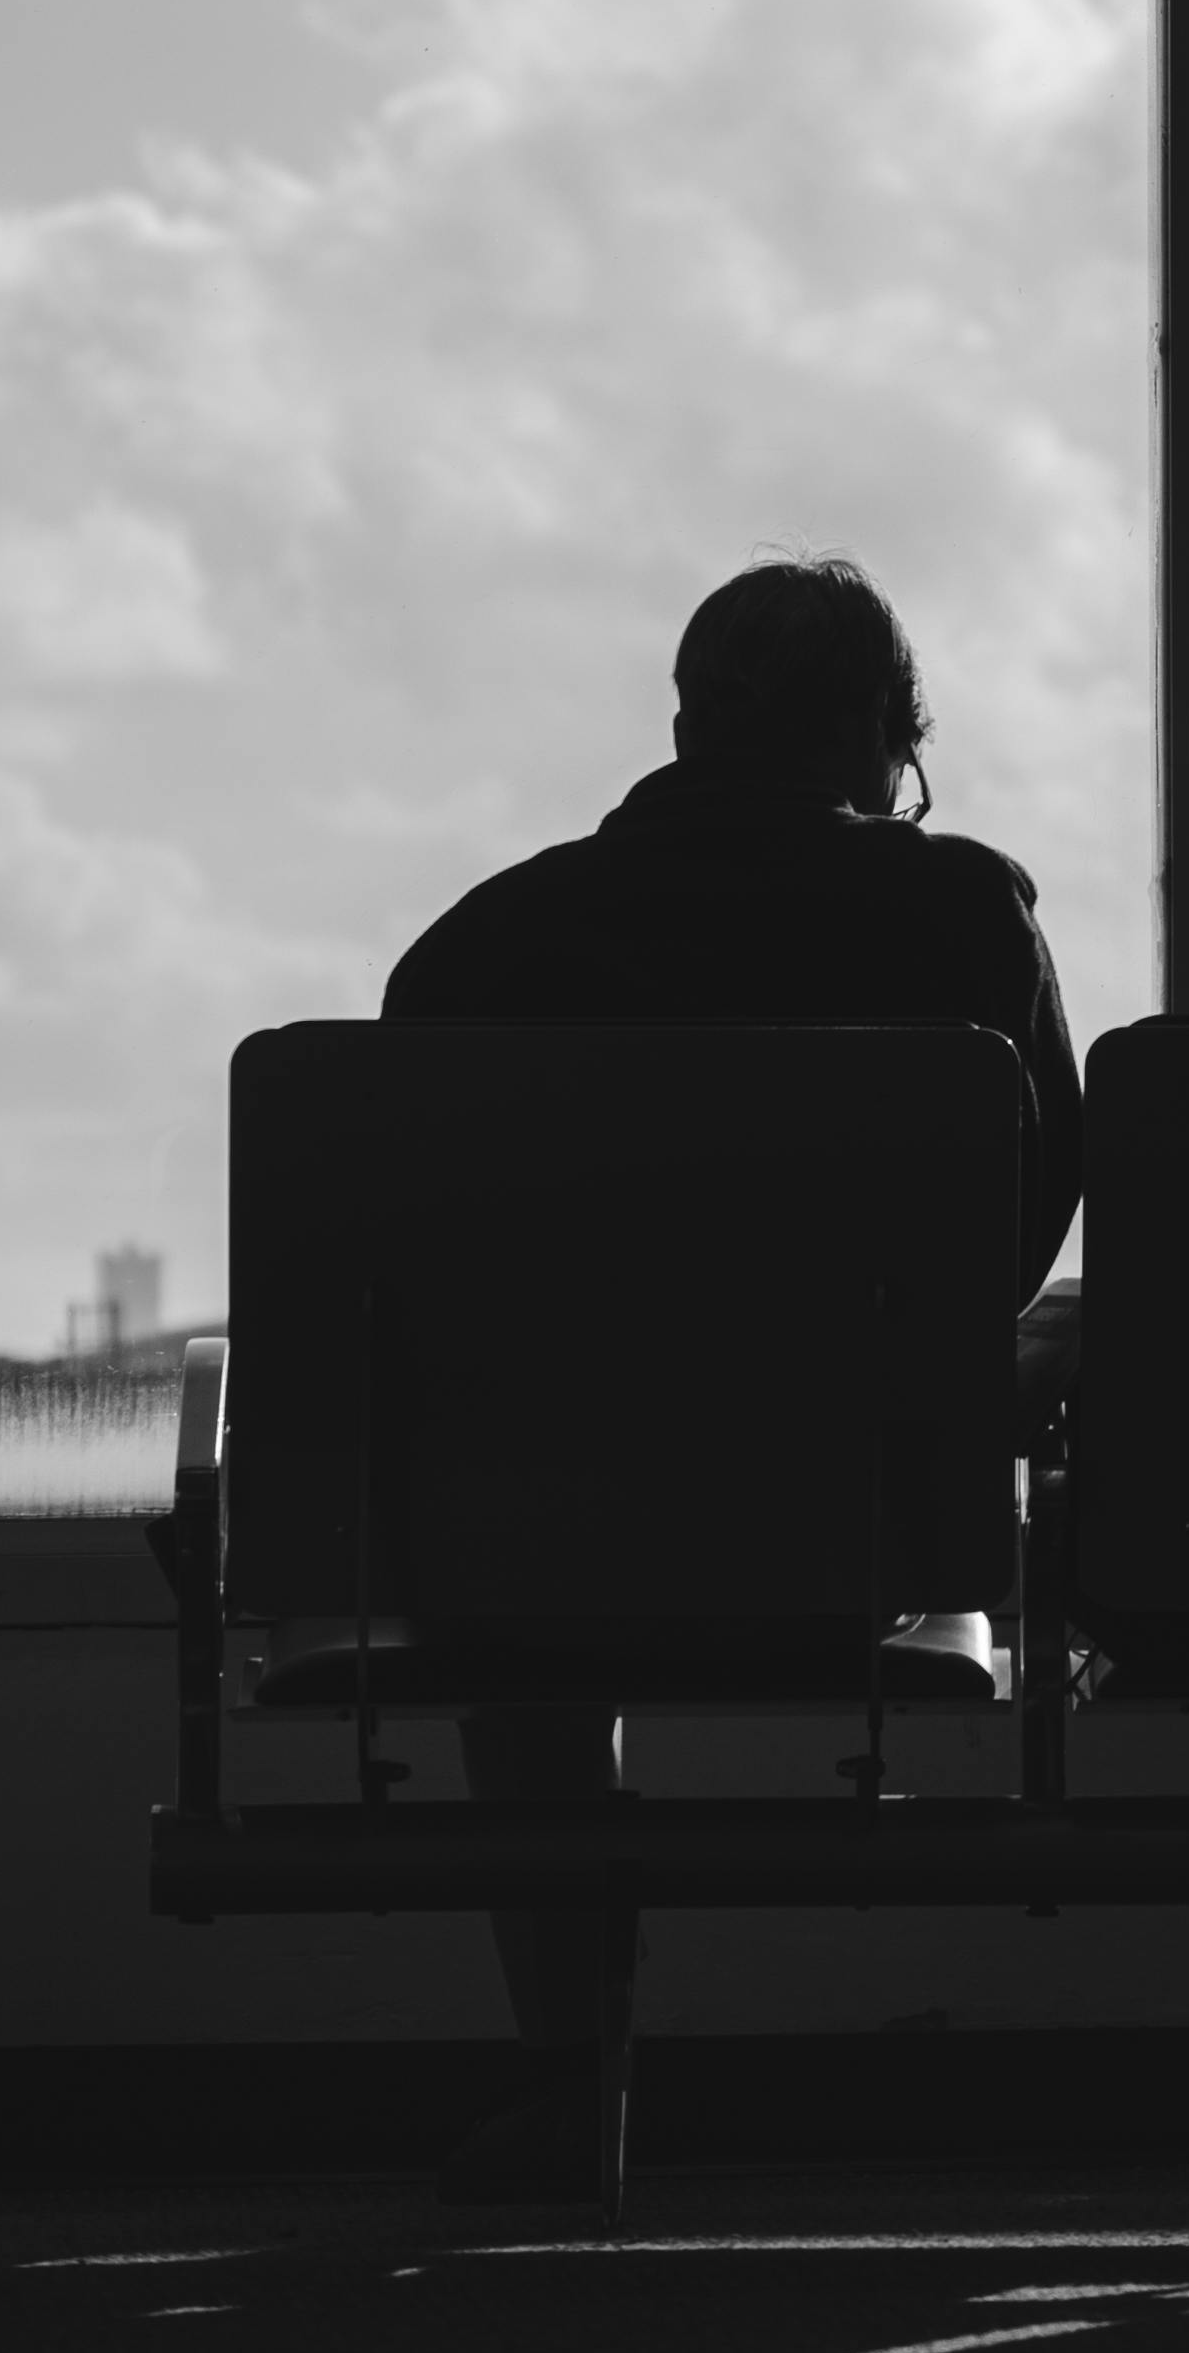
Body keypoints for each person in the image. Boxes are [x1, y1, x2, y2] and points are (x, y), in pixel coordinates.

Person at [381, 551, 1082, 2190]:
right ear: (882, 740)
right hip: (861, 1533)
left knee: (526, 1575)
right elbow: (1027, 1220)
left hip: (535, 1545)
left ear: (687, 726)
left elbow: (408, 1264)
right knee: (1076, 1321)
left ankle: (575, 2068)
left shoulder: (488, 945)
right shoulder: (961, 914)